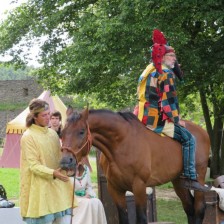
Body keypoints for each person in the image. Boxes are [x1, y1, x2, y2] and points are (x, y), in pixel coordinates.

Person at [136, 29, 210, 192]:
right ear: (162, 57)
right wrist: (177, 120)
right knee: (189, 139)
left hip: (143, 116)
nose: (175, 59)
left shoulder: (149, 69)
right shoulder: (166, 74)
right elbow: (168, 102)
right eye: (172, 56)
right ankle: (191, 177)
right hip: (157, 121)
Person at [20, 99, 77, 224]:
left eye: (48, 114)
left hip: (59, 189)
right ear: (35, 117)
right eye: (44, 115)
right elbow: (33, 166)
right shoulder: (28, 136)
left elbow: (59, 158)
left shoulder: (53, 134)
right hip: (41, 191)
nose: (48, 118)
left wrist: (69, 165)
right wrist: (53, 173)